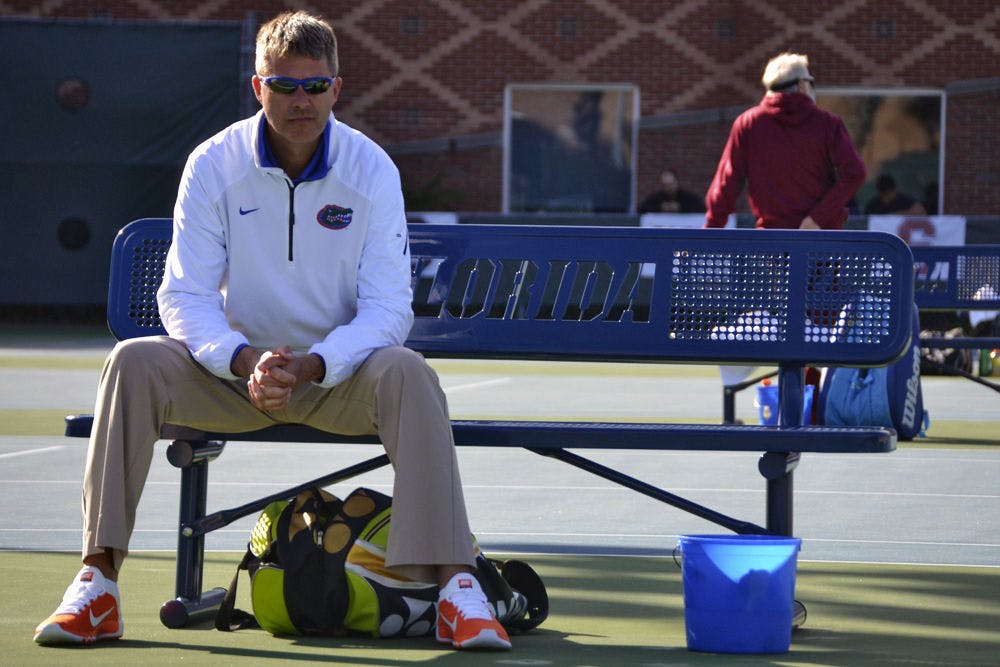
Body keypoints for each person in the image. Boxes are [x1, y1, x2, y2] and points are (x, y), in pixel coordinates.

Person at [34, 10, 511, 651]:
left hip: (338, 382)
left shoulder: (371, 170)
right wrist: (242, 359)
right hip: (230, 380)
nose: (301, 101)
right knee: (133, 361)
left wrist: (314, 364)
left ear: (336, 89)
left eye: (315, 87)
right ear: (258, 88)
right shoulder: (213, 165)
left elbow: (389, 310)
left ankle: (456, 590)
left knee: (409, 372)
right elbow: (184, 295)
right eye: (284, 86)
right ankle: (98, 583)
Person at [704, 52, 866, 229]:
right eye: (811, 82)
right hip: (821, 241)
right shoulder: (827, 123)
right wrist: (817, 219)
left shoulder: (748, 124)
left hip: (772, 242)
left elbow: (726, 185)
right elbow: (855, 173)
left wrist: (711, 229)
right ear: (801, 85)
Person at [638, 168, 705, 214]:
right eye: (665, 185)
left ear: (676, 182)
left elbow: (700, 209)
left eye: (670, 185)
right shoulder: (656, 198)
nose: (668, 188)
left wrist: (681, 208)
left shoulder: (687, 198)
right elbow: (641, 210)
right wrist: (660, 208)